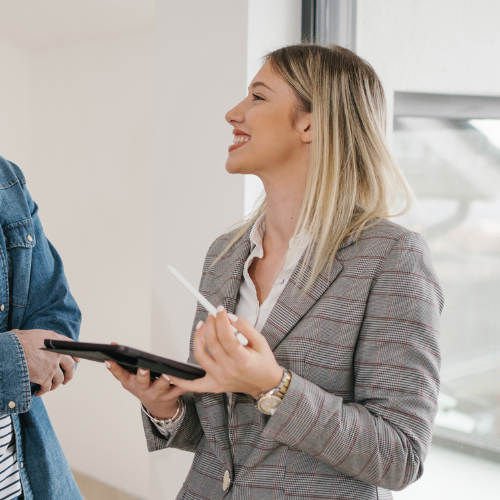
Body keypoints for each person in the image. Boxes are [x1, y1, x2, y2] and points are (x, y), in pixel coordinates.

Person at [107, 44, 444, 500]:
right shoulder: (225, 255)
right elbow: (224, 437)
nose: (233, 113)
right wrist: (165, 408)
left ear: (310, 124)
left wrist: (274, 386)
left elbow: (400, 456)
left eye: (258, 97)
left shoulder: (392, 256)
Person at [0, 156, 83, 499]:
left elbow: (58, 310)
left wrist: (37, 359)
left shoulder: (6, 179)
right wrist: (15, 359)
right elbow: (25, 356)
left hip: (23, 478)